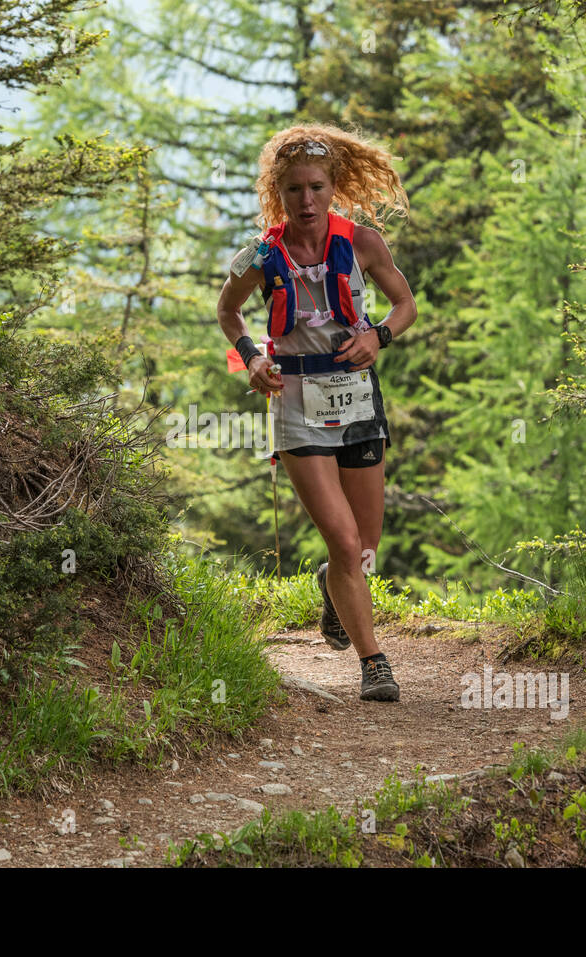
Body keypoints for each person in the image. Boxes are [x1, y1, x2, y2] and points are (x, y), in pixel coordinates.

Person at [216, 124, 415, 702]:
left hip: (356, 400)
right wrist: (250, 359)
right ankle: (373, 662)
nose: (307, 201)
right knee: (346, 541)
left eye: (317, 188)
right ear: (277, 192)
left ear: (333, 188)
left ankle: (333, 584)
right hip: (298, 404)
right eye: (295, 189)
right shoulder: (257, 255)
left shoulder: (362, 242)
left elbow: (406, 305)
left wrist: (379, 337)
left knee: (363, 548)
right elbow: (228, 313)